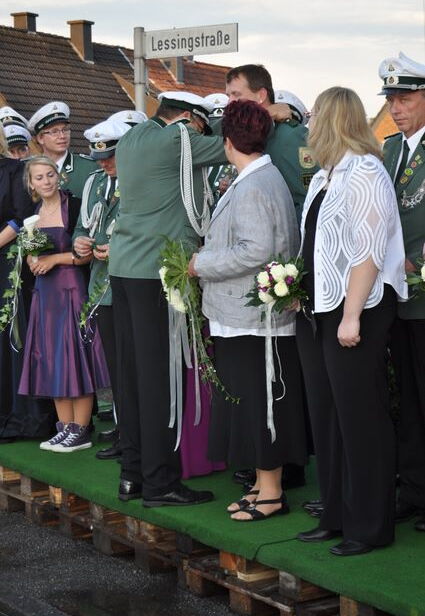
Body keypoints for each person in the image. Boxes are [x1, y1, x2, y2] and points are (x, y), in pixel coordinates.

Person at [295, 87, 407, 555]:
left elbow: (369, 251)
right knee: (329, 417)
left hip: (357, 309)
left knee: (361, 417)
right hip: (323, 309)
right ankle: (336, 514)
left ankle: (369, 526)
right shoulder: (326, 175)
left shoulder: (365, 171)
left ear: (333, 119)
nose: (308, 124)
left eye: (315, 115)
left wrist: (352, 315)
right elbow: (318, 245)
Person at [189, 99, 307, 521]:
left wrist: (199, 264)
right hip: (245, 315)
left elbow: (255, 250)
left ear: (227, 141)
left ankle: (271, 493)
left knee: (260, 405)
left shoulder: (256, 183)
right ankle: (261, 484)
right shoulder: (259, 176)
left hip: (252, 319)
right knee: (250, 404)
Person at [108, 91, 227, 506]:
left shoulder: (132, 137)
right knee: (161, 379)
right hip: (155, 273)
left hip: (123, 268)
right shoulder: (178, 139)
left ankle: (132, 474)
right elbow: (233, 145)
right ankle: (161, 483)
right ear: (189, 118)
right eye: (200, 125)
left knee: (131, 379)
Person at [18, 156, 110, 452]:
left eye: (50, 174)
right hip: (45, 296)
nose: (46, 181)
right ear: (31, 184)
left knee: (75, 357)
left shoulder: (75, 207)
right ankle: (65, 427)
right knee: (52, 358)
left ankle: (81, 429)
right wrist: (33, 261)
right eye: (39, 177)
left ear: (58, 176)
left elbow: (87, 254)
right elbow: (33, 256)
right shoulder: (33, 213)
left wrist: (55, 259)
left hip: (71, 290)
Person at [378, 52, 425, 532]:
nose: (396, 108)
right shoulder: (390, 150)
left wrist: (419, 264)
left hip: (424, 294)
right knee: (407, 400)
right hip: (395, 297)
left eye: (406, 98)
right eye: (392, 98)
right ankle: (414, 491)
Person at [73, 118, 138, 461]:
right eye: (99, 158)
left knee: (132, 366)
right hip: (102, 287)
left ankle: (134, 435)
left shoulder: (139, 178)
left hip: (131, 283)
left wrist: (119, 248)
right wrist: (79, 243)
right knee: (116, 367)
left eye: (110, 156)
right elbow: (82, 227)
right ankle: (124, 430)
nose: (104, 164)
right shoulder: (95, 181)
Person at [0, 125, 55, 443]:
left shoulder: (13, 170)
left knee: (13, 336)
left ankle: (23, 417)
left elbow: (21, 217)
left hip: (9, 264)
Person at [225, 64, 318, 224]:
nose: (230, 102)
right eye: (228, 96)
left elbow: (310, 200)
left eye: (236, 94)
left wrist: (288, 235)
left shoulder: (289, 137)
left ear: (261, 95)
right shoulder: (243, 134)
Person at [28, 101, 97, 198]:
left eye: (65, 129)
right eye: (54, 131)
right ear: (40, 138)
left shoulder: (89, 167)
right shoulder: (28, 168)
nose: (62, 136)